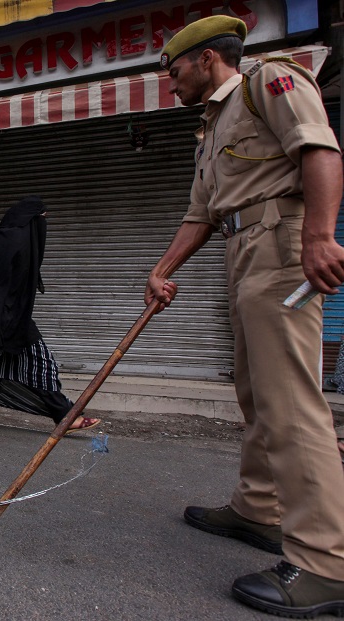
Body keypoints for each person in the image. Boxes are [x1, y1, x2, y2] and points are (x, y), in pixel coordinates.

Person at [144, 16, 344, 616]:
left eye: (174, 71)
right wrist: (163, 270)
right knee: (255, 390)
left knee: (290, 401)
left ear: (206, 59)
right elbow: (200, 212)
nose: (170, 84)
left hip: (281, 245)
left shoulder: (270, 82)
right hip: (242, 251)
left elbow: (320, 150)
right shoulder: (211, 128)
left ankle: (326, 565)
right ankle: (260, 508)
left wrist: (318, 236)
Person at [0, 196, 101, 432]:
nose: (44, 226)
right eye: (42, 219)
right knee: (43, 364)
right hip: (10, 320)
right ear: (32, 219)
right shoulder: (18, 241)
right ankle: (65, 416)